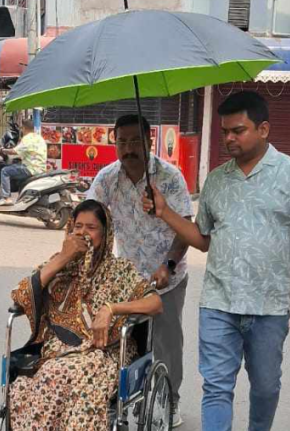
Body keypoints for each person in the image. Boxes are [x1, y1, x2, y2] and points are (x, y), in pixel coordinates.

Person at [142, 91, 290, 431]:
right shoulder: (216, 179)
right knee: (216, 388)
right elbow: (201, 240)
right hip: (218, 304)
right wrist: (164, 212)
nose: (228, 138)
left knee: (266, 387)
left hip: (269, 307)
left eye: (238, 130)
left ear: (264, 129)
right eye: (225, 131)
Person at [8, 199, 163, 431]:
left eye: (91, 228)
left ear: (105, 233)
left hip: (104, 352)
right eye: (77, 227)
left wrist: (112, 309)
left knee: (61, 375)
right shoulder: (57, 266)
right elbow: (20, 296)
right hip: (57, 351)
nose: (83, 233)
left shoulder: (119, 270)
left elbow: (155, 302)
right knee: (26, 387)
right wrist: (63, 257)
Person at [85, 114, 193, 427]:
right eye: (122, 141)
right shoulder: (106, 179)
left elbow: (187, 230)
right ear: (114, 142)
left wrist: (168, 265)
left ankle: (171, 401)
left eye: (135, 140)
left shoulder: (170, 178)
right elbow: (90, 220)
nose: (129, 148)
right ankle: (122, 398)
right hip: (127, 279)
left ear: (149, 139)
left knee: (167, 344)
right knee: (126, 341)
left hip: (167, 277)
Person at [0, 118, 46, 205]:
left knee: (5, 171)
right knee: (15, 165)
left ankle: (6, 198)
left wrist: (2, 150)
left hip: (30, 168)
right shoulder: (39, 138)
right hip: (40, 168)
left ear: (24, 128)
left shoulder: (27, 139)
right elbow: (25, 151)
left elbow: (14, 151)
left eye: (22, 128)